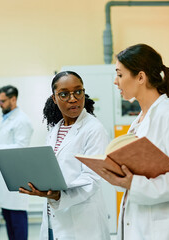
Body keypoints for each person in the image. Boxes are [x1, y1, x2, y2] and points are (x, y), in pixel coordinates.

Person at [101, 43, 169, 240]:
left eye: (120, 75)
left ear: (140, 77)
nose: (116, 82)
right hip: (143, 226)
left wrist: (137, 185)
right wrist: (119, 176)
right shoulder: (141, 120)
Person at [19, 71, 111, 240]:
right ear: (54, 98)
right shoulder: (56, 129)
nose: (73, 98)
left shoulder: (94, 129)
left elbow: (93, 179)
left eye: (78, 91)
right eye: (64, 94)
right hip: (54, 216)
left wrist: (58, 195)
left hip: (82, 221)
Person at [0, 85, 33, 240]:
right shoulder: (5, 117)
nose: (0, 104)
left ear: (13, 99)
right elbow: (5, 142)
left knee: (17, 221)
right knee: (9, 221)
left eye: (3, 101)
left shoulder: (22, 121)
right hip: (3, 178)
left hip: (15, 176)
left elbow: (21, 148)